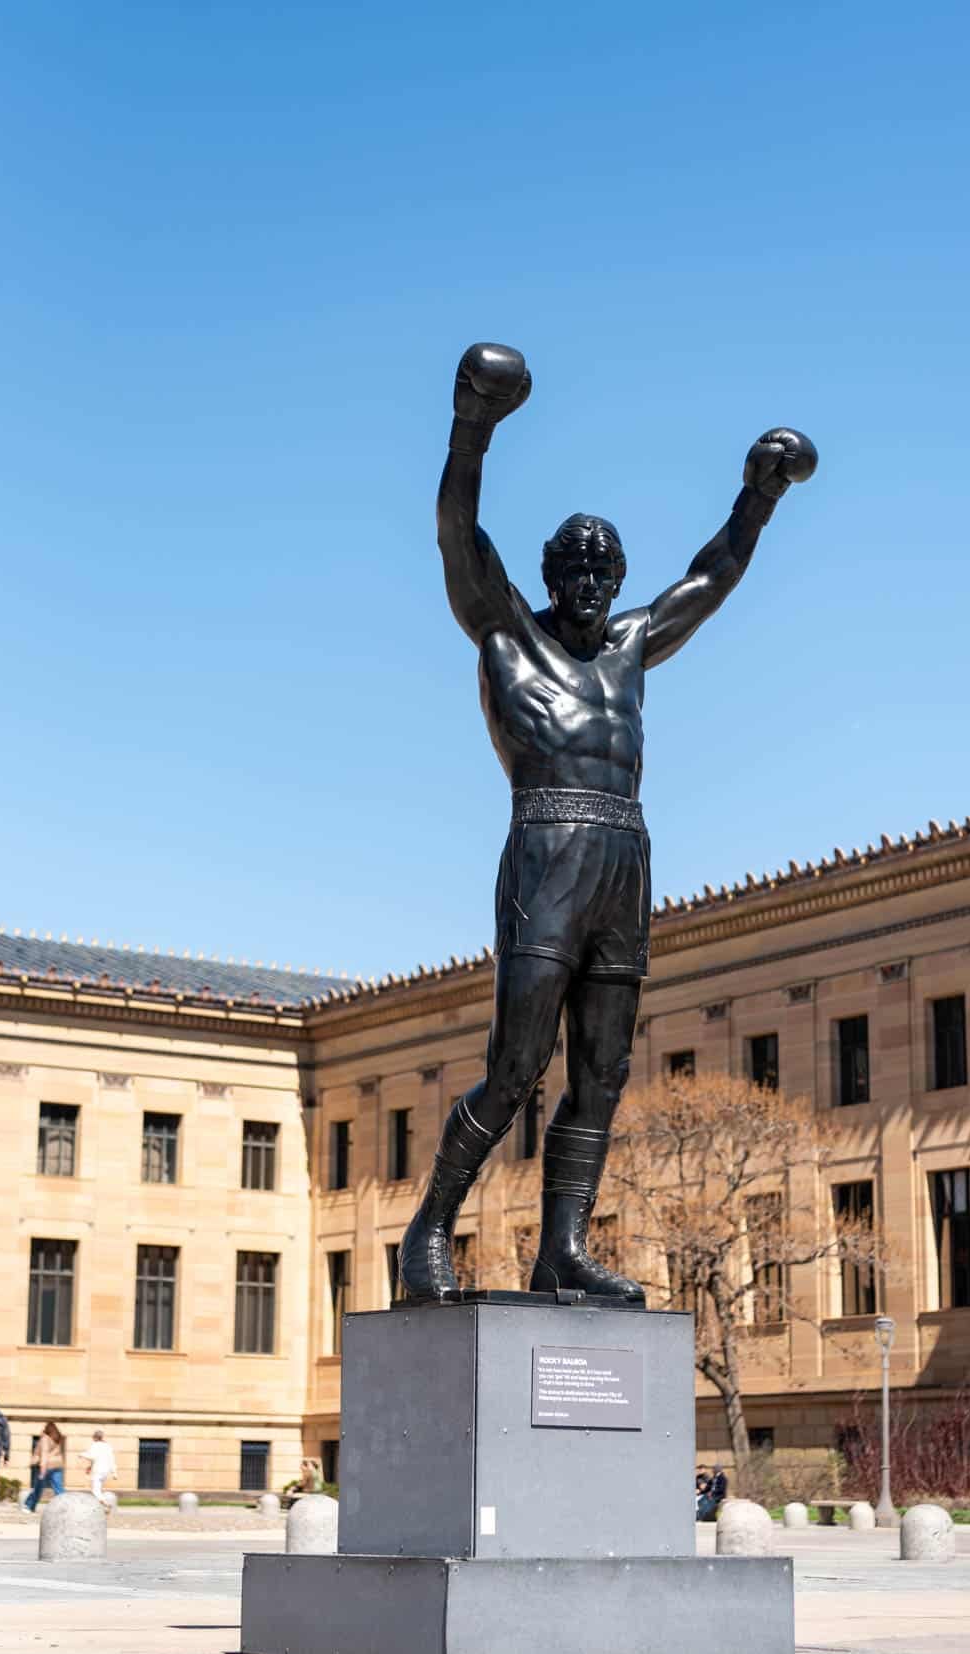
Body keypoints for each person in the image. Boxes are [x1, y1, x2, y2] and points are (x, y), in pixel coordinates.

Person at [399, 344, 816, 1302]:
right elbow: (456, 529)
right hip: (547, 847)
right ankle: (427, 1230)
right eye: (574, 566)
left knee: (603, 1069)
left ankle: (563, 1248)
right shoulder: (507, 630)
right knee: (515, 1067)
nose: (590, 580)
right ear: (549, 575)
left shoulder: (631, 646)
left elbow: (711, 578)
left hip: (624, 856)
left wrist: (759, 495)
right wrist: (475, 423)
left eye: (605, 568)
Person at [23, 1421, 65, 1512]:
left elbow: (44, 1454)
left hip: (47, 1466)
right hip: (58, 1465)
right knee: (58, 1488)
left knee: (38, 1488)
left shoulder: (45, 1439)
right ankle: (65, 1506)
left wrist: (42, 1469)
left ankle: (29, 1505)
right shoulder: (58, 1438)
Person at [76, 1427, 117, 1511]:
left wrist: (81, 1454)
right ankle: (100, 1507)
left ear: (95, 1437)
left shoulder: (95, 1445)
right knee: (99, 1489)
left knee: (95, 1491)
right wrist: (114, 1473)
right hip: (106, 1471)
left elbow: (92, 1456)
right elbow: (111, 1460)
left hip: (98, 1470)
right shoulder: (108, 1446)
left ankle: (107, 1504)